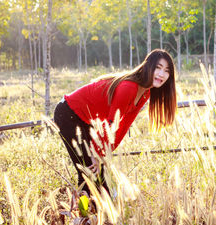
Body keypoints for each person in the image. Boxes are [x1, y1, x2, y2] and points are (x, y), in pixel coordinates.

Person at [53, 49, 176, 195]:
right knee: (89, 171)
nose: (162, 74)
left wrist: (103, 154)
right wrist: (97, 153)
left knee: (101, 175)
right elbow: (111, 124)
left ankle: (103, 216)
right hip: (68, 112)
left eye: (166, 71)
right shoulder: (129, 87)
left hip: (84, 120)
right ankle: (85, 215)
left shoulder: (145, 92)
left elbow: (123, 126)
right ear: (148, 66)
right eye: (158, 68)